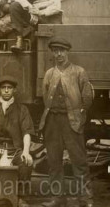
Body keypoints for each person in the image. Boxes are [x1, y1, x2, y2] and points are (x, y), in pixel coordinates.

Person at [39, 37, 93, 207]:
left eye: (62, 50)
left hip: (72, 122)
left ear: (67, 52)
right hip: (52, 121)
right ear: (53, 53)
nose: (59, 54)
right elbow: (45, 96)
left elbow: (87, 97)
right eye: (55, 51)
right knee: (54, 161)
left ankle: (85, 199)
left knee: (79, 161)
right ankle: (57, 198)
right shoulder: (49, 73)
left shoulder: (79, 72)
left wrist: (80, 115)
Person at [0, 75, 35, 207]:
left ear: (14, 90)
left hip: (15, 149)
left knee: (25, 163)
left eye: (9, 88)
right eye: (3, 88)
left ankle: (22, 198)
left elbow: (27, 132)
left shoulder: (22, 109)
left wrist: (26, 151)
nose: (6, 90)